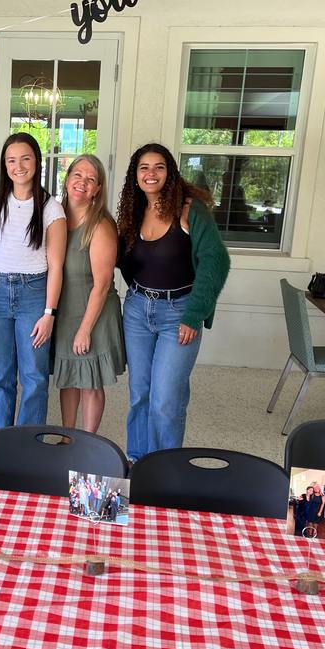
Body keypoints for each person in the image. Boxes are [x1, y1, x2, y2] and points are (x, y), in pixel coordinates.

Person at [116, 143, 230, 461]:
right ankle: (138, 462)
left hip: (179, 311)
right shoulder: (133, 211)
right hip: (138, 309)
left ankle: (164, 467)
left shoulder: (189, 209)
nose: (151, 174)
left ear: (170, 172)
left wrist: (194, 314)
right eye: (144, 168)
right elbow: (125, 260)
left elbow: (215, 262)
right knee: (140, 393)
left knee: (166, 397)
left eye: (159, 167)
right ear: (134, 176)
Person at [0, 133, 67, 428]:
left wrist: (49, 314)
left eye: (25, 158)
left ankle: (27, 447)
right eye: (11, 160)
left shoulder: (51, 208)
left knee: (33, 376)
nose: (19, 166)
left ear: (37, 162)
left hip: (34, 294)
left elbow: (56, 267)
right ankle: (0, 441)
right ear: (5, 166)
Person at [54, 155, 126, 433]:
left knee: (90, 382)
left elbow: (103, 283)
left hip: (92, 313)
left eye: (91, 179)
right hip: (65, 311)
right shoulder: (56, 216)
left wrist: (85, 330)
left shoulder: (100, 225)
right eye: (77, 175)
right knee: (69, 378)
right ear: (67, 179)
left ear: (97, 189)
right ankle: (67, 439)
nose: (82, 182)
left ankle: (86, 443)